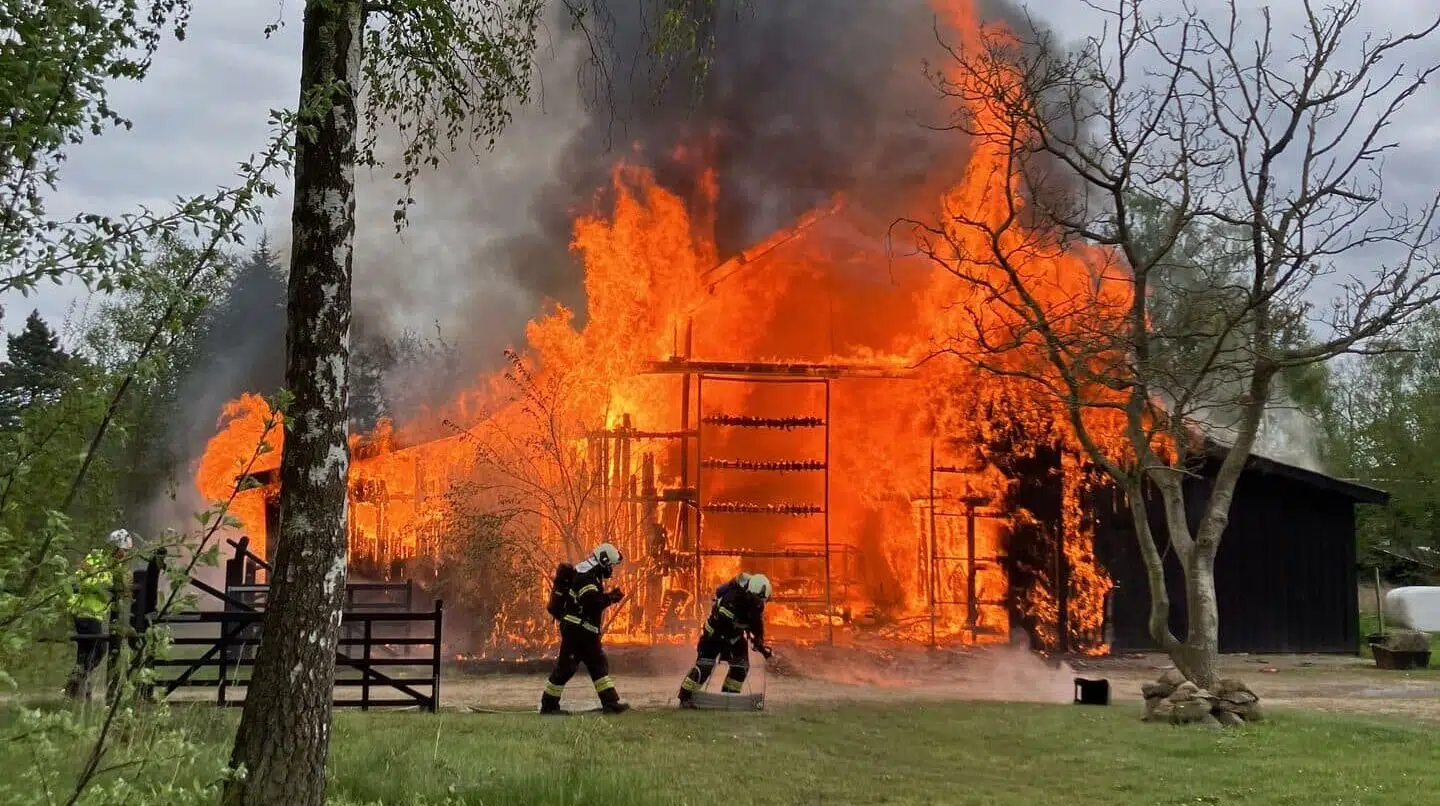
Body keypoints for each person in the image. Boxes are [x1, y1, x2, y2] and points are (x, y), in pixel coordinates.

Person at [540, 542, 631, 714]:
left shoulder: (590, 573)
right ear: (604, 561)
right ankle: (548, 706)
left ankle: (611, 703)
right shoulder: (586, 577)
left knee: (597, 666)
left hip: (583, 632)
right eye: (610, 566)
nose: (611, 570)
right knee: (566, 669)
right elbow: (591, 604)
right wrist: (611, 597)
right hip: (577, 632)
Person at [678, 572, 773, 707]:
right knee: (704, 667)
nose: (759, 602)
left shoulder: (757, 606)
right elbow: (722, 623)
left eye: (762, 600)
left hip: (735, 637)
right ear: (749, 593)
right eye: (757, 598)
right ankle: (685, 697)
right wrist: (726, 649)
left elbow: (756, 624)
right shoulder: (731, 599)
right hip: (714, 636)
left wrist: (759, 641)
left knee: (741, 667)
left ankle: (730, 697)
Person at [64, 529, 132, 701]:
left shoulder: (113, 565)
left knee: (85, 651)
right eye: (123, 550)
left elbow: (123, 588)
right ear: (115, 548)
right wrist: (106, 587)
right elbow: (83, 581)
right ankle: (77, 683)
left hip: (93, 614)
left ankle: (77, 688)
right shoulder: (95, 559)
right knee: (99, 649)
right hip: (85, 611)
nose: (124, 555)